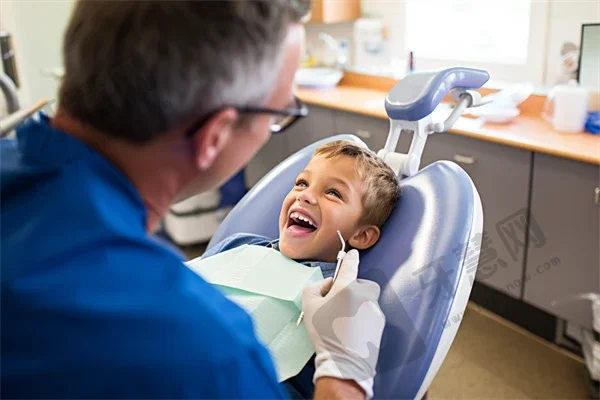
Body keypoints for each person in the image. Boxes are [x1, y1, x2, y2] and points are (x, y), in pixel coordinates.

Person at [0, 1, 387, 399]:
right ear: (214, 136)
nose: (305, 194)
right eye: (279, 114)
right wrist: (344, 373)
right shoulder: (204, 355)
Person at [201, 140, 401, 399]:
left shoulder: (342, 300)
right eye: (302, 183)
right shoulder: (239, 245)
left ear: (362, 235)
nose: (304, 195)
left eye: (333, 193)